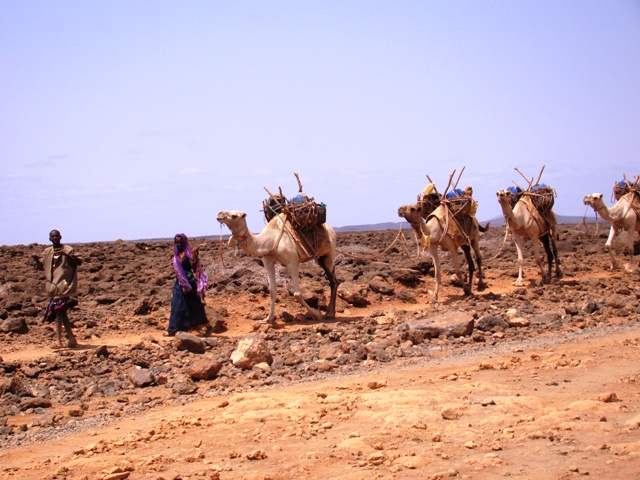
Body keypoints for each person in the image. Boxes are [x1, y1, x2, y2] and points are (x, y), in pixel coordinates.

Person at [32, 229, 82, 348]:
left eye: (56, 236)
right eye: (52, 236)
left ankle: (59, 341)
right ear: (50, 239)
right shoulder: (47, 252)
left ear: (60, 237)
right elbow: (41, 266)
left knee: (59, 311)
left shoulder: (68, 249)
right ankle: (70, 339)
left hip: (64, 285)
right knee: (61, 313)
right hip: (53, 286)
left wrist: (66, 255)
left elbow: (78, 261)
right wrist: (35, 259)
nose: (55, 238)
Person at [167, 233, 210, 336]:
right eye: (177, 243)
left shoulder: (189, 254)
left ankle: (207, 326)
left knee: (195, 305)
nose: (178, 244)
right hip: (179, 283)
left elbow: (195, 268)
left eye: (180, 242)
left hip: (189, 283)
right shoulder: (176, 256)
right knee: (176, 304)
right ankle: (174, 328)